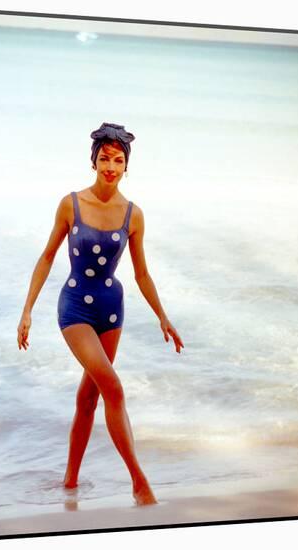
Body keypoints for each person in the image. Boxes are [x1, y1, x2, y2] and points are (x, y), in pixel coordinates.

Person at [17, 122, 184, 506]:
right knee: (113, 387)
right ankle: (140, 483)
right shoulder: (71, 204)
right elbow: (46, 257)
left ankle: (71, 482)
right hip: (74, 306)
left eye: (118, 160)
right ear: (94, 161)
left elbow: (141, 273)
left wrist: (163, 316)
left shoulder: (134, 215)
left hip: (112, 309)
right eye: (104, 159)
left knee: (90, 396)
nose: (111, 166)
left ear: (127, 166)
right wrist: (27, 310)